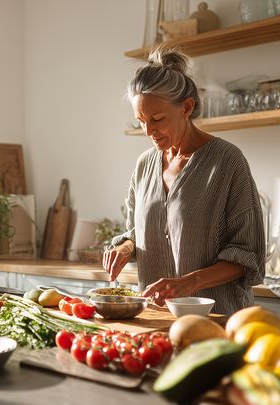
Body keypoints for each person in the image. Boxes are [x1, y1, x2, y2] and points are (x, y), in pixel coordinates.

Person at [102, 46, 265, 316]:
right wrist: (125, 246)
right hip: (157, 321)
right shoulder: (144, 165)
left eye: (157, 119)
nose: (149, 131)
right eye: (141, 121)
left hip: (218, 322)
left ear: (186, 107)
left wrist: (187, 283)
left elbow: (249, 256)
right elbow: (137, 230)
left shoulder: (227, 161)